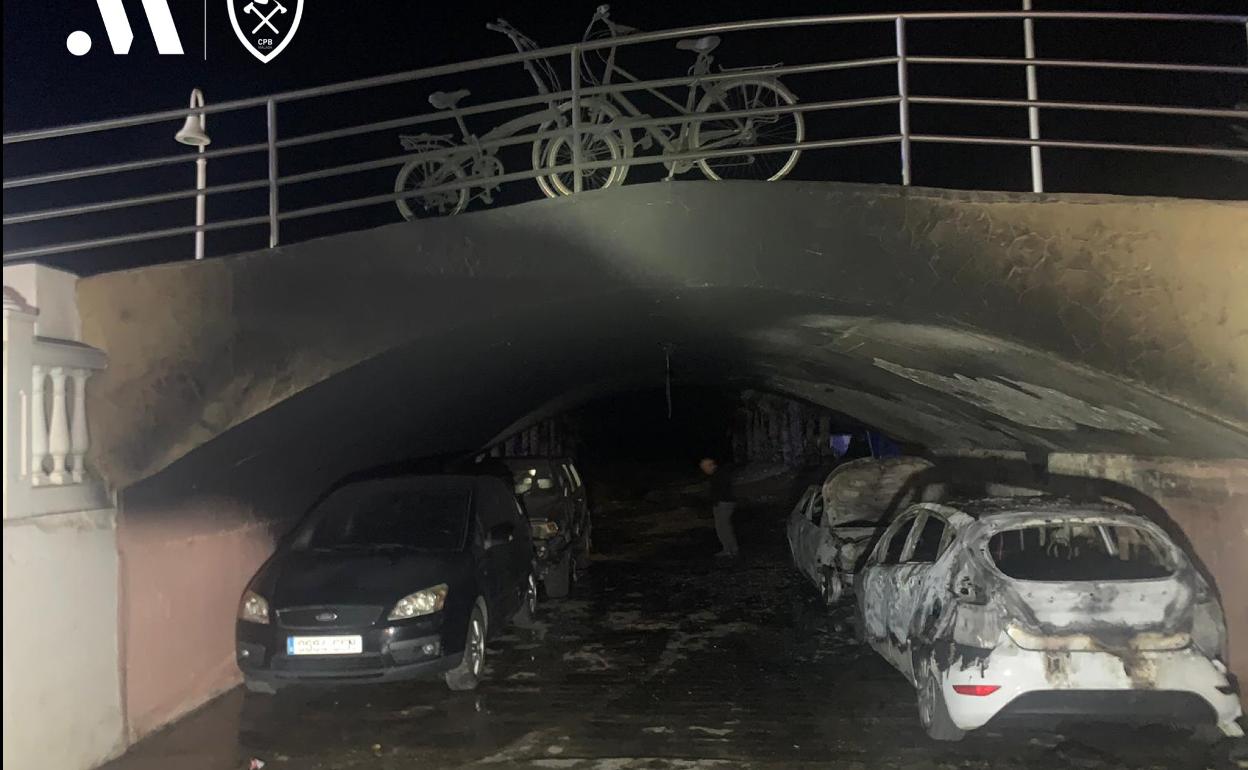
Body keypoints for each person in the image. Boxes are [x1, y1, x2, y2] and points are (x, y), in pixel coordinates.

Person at [699, 457, 738, 558]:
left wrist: (715, 500)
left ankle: (729, 549)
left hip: (723, 503)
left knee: (722, 527)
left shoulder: (719, 474)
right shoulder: (720, 473)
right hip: (723, 502)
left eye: (704, 468)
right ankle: (731, 549)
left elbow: (720, 490)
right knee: (724, 526)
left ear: (710, 466)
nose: (704, 471)